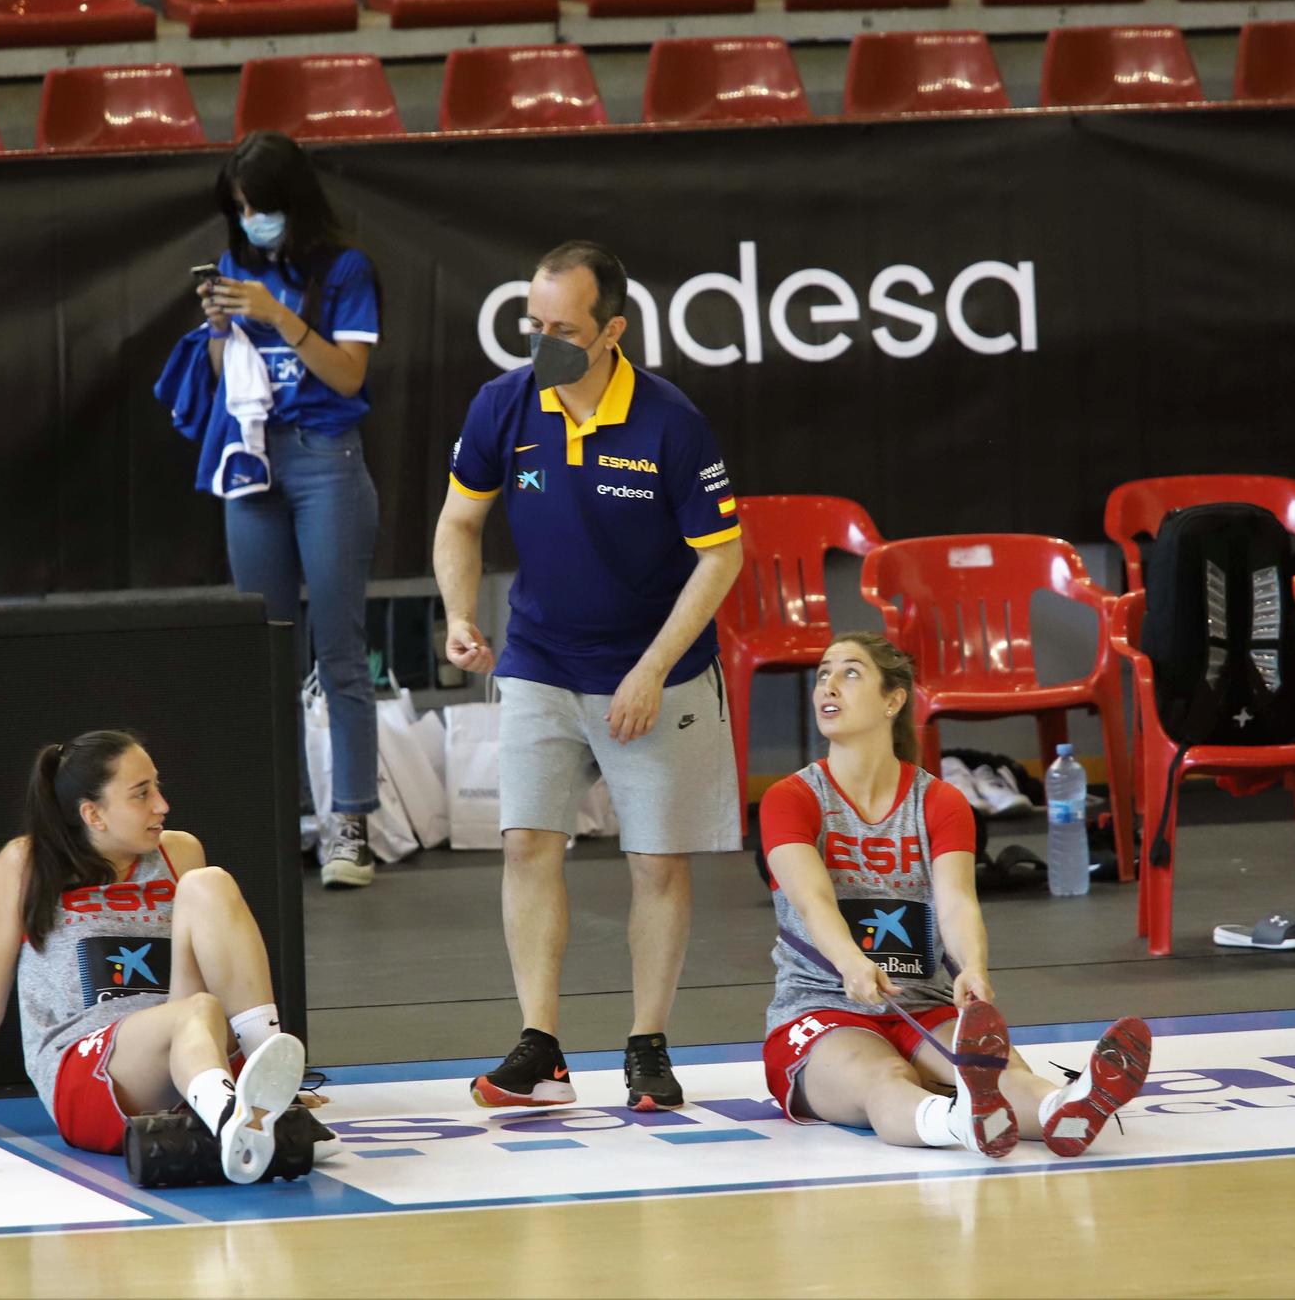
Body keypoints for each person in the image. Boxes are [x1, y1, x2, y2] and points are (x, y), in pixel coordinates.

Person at [434, 241, 743, 1113]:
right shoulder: (506, 403)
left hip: (660, 669)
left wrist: (649, 670)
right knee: (527, 841)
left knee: (656, 862)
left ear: (612, 329)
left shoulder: (671, 422)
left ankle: (647, 1044)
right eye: (534, 325)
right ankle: (542, 1045)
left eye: (563, 329)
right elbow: (459, 523)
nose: (543, 343)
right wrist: (461, 615)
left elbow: (720, 556)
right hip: (539, 656)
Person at [0, 730, 321, 1183]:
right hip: (88, 1071)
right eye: (142, 794)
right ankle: (241, 1115)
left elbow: (210, 966)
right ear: (93, 813)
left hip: (186, 1042)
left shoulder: (179, 851)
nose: (162, 804)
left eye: (158, 787)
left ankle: (266, 1084)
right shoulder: (25, 864)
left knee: (210, 888)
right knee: (198, 1012)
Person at [759, 632, 1150, 1156]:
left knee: (1000, 1072)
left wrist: (973, 967)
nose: (829, 685)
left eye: (850, 673)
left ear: (893, 700)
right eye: (823, 674)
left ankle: (1069, 1108)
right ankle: (962, 1122)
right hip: (821, 1007)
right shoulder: (791, 798)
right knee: (882, 1075)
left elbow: (957, 902)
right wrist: (852, 962)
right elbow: (812, 900)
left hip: (923, 1002)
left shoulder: (939, 801)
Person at [154, 131, 384, 891]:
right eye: (241, 209)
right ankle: (280, 816)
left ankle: (348, 822)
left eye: (261, 207)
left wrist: (278, 316)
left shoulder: (343, 269)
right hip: (251, 460)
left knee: (339, 650)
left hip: (325, 457)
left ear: (293, 202)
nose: (251, 220)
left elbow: (348, 376)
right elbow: (225, 377)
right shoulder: (233, 265)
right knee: (266, 650)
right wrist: (221, 328)